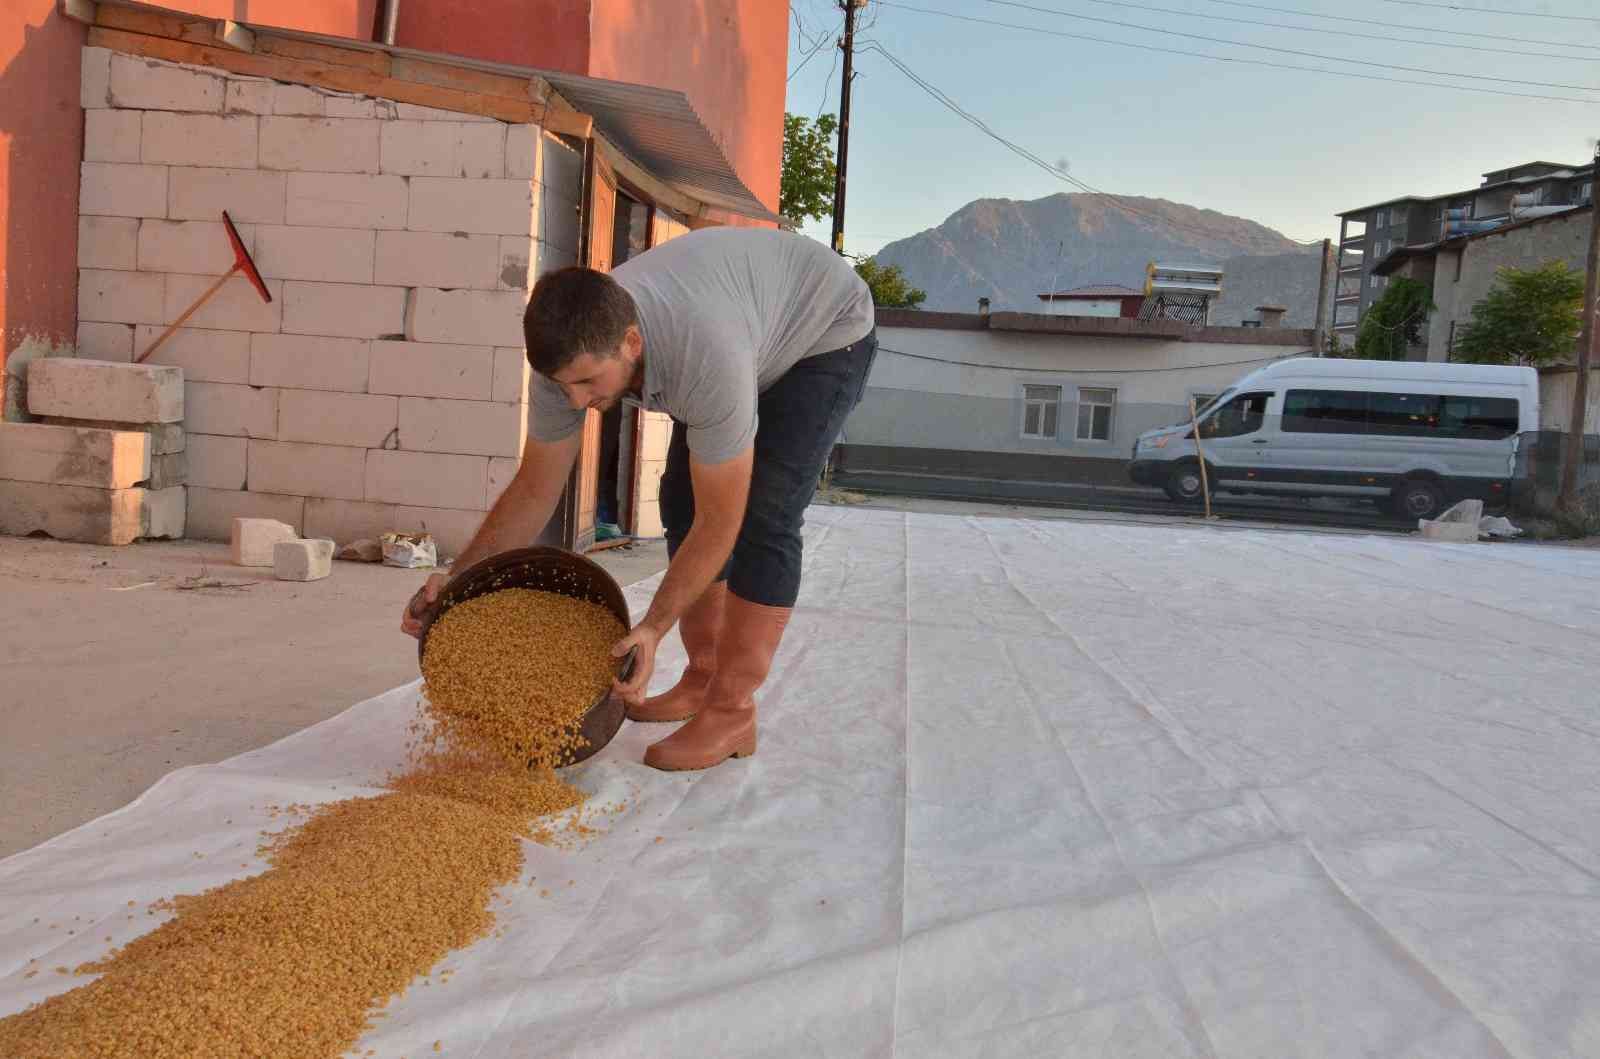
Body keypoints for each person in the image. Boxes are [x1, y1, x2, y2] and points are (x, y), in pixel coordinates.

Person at [401, 226, 876, 772]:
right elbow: (535, 487)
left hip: (823, 333)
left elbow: (724, 518)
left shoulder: (702, 353)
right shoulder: (565, 365)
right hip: (747, 319)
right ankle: (700, 679)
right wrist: (457, 577)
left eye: (586, 382)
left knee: (763, 516)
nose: (577, 400)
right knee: (679, 501)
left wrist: (652, 626)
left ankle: (731, 710)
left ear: (631, 342)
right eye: (563, 386)